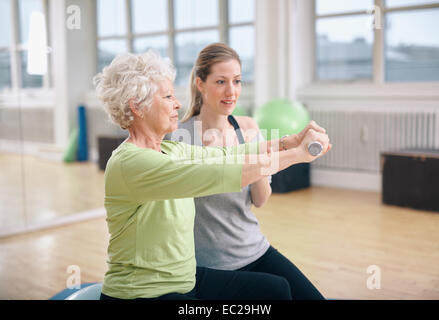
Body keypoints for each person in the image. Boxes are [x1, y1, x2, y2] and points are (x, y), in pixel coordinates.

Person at [93, 49, 331, 300]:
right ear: (137, 107)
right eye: (167, 96)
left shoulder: (171, 149)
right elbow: (221, 173)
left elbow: (231, 155)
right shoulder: (133, 163)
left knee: (278, 290)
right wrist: (299, 155)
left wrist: (290, 142)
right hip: (143, 293)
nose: (177, 103)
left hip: (186, 280)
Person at [169, 43, 327, 300]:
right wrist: (294, 154)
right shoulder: (179, 136)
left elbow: (261, 200)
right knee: (278, 294)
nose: (231, 91)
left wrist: (258, 158)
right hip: (209, 267)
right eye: (220, 81)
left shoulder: (248, 129)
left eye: (237, 81)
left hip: (254, 249)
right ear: (200, 83)